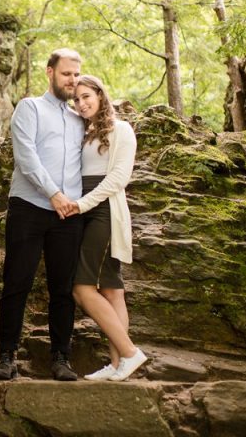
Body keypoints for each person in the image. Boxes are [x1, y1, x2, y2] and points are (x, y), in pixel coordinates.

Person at [0, 49, 85, 381]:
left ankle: (61, 358)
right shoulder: (29, 107)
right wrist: (53, 194)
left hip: (68, 215)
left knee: (63, 288)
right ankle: (6, 356)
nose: (72, 80)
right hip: (29, 207)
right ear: (49, 73)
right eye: (66, 74)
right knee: (17, 283)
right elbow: (26, 156)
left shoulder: (79, 119)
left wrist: (75, 201)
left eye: (76, 74)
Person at [61, 74, 147, 381]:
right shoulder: (84, 133)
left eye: (87, 96)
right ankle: (117, 365)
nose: (82, 103)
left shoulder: (121, 129)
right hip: (86, 211)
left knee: (82, 289)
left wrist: (82, 204)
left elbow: (118, 179)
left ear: (100, 94)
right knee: (112, 291)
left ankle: (129, 352)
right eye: (77, 99)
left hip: (104, 212)